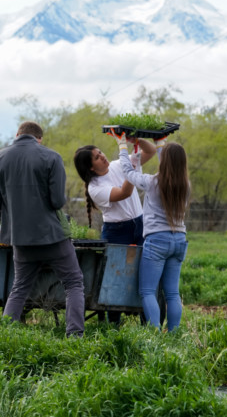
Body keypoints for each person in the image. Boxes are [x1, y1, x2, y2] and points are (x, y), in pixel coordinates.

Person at [0, 121, 85, 337]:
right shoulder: (52, 157)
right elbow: (57, 201)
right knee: (73, 282)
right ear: (39, 139)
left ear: (17, 134)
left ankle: (6, 335)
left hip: (19, 238)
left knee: (20, 287)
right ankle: (75, 336)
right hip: (52, 236)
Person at [110, 130, 190, 331]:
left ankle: (154, 334)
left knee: (147, 291)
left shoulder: (152, 182)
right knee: (172, 293)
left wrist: (122, 146)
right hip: (179, 240)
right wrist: (160, 144)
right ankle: (174, 334)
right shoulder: (185, 185)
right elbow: (170, 166)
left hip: (157, 240)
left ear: (164, 162)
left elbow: (128, 172)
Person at [74, 137, 156, 323]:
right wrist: (128, 162)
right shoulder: (95, 188)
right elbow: (124, 192)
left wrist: (137, 140)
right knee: (115, 278)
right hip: (117, 230)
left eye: (100, 152)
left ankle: (148, 324)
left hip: (140, 223)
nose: (102, 156)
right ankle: (113, 326)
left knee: (146, 273)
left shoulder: (119, 165)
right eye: (97, 157)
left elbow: (150, 151)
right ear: (91, 168)